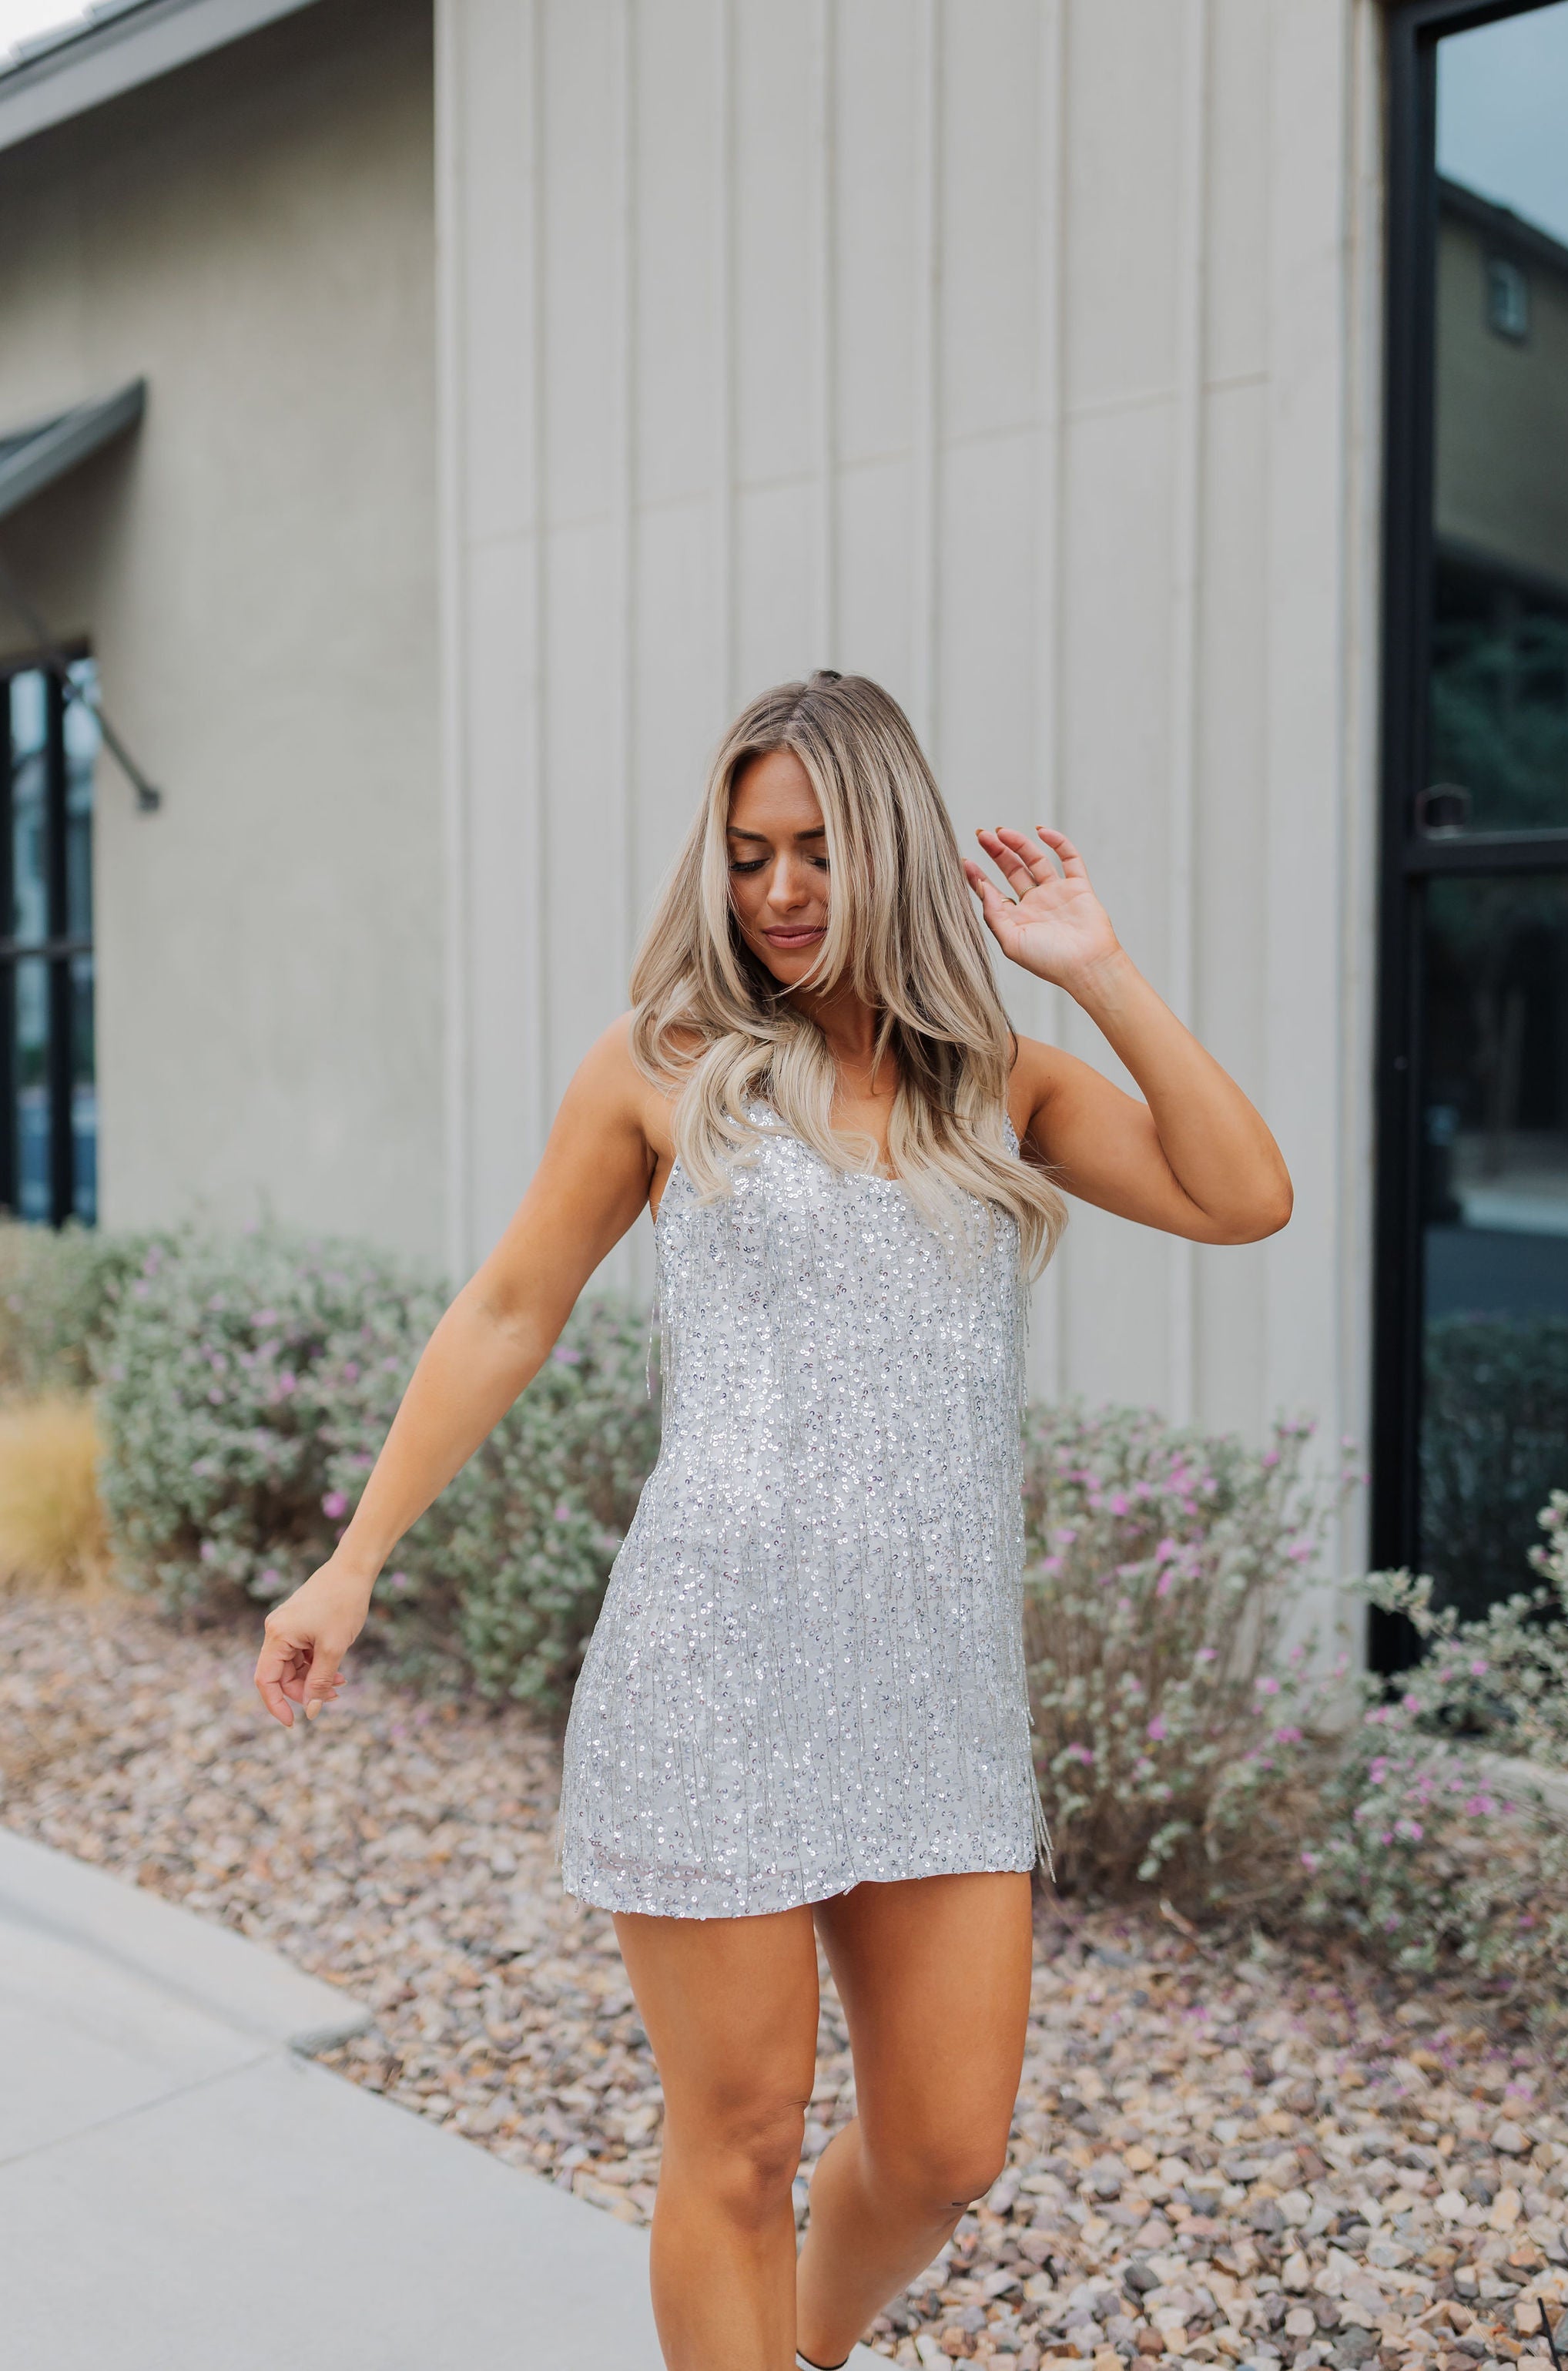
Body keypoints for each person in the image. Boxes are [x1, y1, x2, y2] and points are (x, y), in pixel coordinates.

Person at [253, 670, 1292, 2371]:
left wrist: (1094, 967)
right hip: (714, 1672)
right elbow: (511, 1307)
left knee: (948, 2150)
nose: (781, 891)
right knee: (734, 2148)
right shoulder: (665, 1066)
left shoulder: (1002, 1085)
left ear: (888, 843)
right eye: (748, 855)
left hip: (936, 1700)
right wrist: (353, 1559)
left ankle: (798, 2347)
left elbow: (1244, 1197)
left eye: (815, 849)